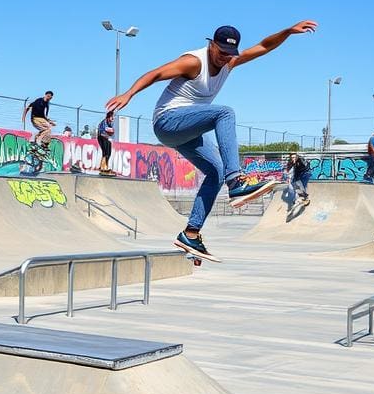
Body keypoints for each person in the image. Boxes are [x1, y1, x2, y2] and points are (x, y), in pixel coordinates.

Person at [105, 20, 318, 259]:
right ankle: (236, 183)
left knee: (216, 171)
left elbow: (264, 46)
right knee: (224, 113)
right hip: (167, 121)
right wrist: (129, 94)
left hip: (187, 131)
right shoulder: (194, 62)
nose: (224, 59)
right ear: (211, 45)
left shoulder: (231, 62)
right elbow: (156, 74)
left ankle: (191, 234)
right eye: (221, 53)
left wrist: (288, 31)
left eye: (229, 55)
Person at [97, 111, 116, 175]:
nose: (113, 118)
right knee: (105, 152)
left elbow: (111, 132)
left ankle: (106, 166)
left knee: (109, 153)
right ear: (109, 116)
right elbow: (106, 129)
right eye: (112, 117)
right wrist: (111, 131)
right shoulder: (105, 121)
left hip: (106, 138)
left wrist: (111, 131)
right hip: (101, 137)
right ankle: (102, 167)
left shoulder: (110, 123)